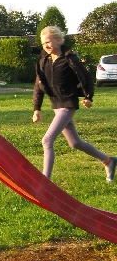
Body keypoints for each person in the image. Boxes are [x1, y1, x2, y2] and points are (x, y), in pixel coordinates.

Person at [32, 25, 116, 181]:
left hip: (68, 104)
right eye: (43, 44)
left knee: (47, 140)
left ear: (58, 40)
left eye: (48, 42)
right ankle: (108, 161)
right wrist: (37, 108)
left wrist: (88, 97)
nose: (46, 46)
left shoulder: (69, 58)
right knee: (75, 143)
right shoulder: (44, 60)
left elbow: (87, 77)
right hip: (56, 105)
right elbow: (39, 84)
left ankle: (45, 182)